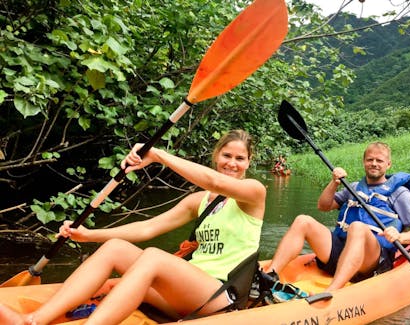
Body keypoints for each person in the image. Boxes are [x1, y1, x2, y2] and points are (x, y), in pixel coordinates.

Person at [0, 129, 265, 325]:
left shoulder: (254, 192)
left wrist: (159, 155)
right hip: (185, 293)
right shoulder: (199, 201)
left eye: (240, 158)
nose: (232, 163)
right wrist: (89, 235)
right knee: (115, 248)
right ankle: (33, 320)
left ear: (249, 162)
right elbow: (147, 228)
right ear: (216, 155)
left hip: (220, 296)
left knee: (153, 257)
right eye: (226, 155)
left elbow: (215, 183)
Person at [263, 141, 410, 292]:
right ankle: (269, 276)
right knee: (303, 220)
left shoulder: (399, 193)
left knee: (357, 227)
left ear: (388, 164)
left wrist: (400, 236)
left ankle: (332, 291)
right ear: (364, 162)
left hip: (370, 261)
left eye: (379, 160)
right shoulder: (354, 187)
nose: (374, 164)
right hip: (340, 252)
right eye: (370, 160)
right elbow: (323, 206)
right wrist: (334, 182)